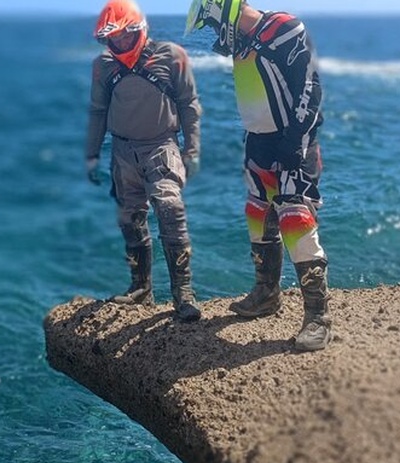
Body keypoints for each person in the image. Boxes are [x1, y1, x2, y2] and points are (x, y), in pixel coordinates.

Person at [185, 0, 333, 350]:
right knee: (257, 214)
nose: (212, 33)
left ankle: (318, 316)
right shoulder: (243, 44)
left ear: (222, 10)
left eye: (210, 23)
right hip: (258, 143)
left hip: (292, 141)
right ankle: (267, 293)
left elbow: (311, 87)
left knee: (295, 218)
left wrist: (296, 139)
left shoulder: (284, 29)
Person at [85, 0, 203, 322]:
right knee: (130, 219)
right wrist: (92, 155)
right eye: (115, 37)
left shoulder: (172, 56)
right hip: (122, 152)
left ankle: (183, 294)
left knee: (170, 208)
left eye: (126, 35)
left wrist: (192, 150)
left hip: (161, 146)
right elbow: (97, 111)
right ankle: (141, 288)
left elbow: (189, 105)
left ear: (140, 29)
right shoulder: (103, 66)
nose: (121, 42)